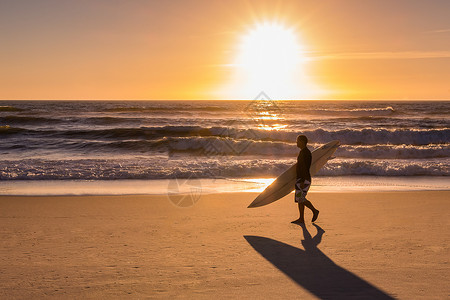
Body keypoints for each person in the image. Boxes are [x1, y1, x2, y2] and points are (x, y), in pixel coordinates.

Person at [291, 135, 319, 224]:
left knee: (301, 198)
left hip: (304, 179)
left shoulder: (305, 153)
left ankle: (315, 211)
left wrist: (302, 180)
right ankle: (301, 218)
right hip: (301, 178)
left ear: (302, 142)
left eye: (297, 141)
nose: (296, 143)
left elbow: (305, 168)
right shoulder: (303, 152)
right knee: (300, 199)